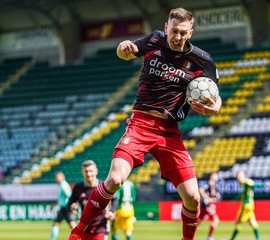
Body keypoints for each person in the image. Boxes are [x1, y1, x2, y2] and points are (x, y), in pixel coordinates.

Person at [68, 7, 222, 240]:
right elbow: (125, 52)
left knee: (193, 197)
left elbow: (216, 96)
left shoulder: (203, 60)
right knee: (115, 178)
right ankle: (78, 232)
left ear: (191, 32)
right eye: (173, 31)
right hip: (141, 123)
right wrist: (123, 48)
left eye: (182, 32)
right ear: (166, 27)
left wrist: (216, 107)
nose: (177, 37)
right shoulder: (155, 40)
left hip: (170, 132)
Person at [68, 160, 118, 240]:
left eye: (91, 171)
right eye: (86, 171)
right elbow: (70, 203)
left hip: (101, 228)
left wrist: (112, 211)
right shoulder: (78, 188)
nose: (88, 174)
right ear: (82, 172)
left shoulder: (103, 186)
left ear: (96, 171)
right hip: (84, 228)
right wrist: (72, 208)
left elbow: (115, 199)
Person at [229, 170, 270, 240]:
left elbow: (255, 185)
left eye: (240, 176)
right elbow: (241, 194)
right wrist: (234, 199)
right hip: (249, 207)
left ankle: (232, 239)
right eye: (238, 177)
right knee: (253, 223)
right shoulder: (242, 184)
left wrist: (264, 185)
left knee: (237, 222)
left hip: (245, 206)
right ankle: (258, 238)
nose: (239, 178)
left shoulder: (247, 182)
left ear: (243, 176)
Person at [50, 171, 76, 240]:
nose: (56, 179)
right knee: (56, 223)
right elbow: (61, 198)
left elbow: (69, 195)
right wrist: (54, 205)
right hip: (63, 207)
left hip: (66, 207)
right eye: (55, 177)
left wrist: (71, 206)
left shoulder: (64, 185)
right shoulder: (61, 185)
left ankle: (80, 236)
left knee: (72, 224)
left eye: (57, 177)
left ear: (62, 177)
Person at [199, 172, 221, 240]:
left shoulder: (215, 185)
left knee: (197, 222)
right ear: (211, 176)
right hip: (207, 205)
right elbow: (201, 190)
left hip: (207, 206)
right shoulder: (209, 183)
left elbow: (217, 195)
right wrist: (207, 199)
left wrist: (216, 197)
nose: (217, 177)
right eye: (215, 175)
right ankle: (209, 237)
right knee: (215, 219)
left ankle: (187, 233)